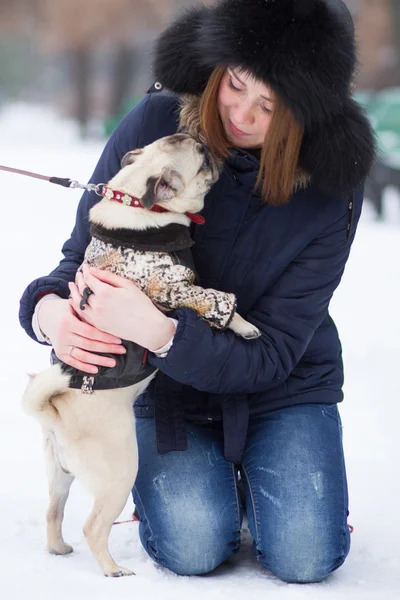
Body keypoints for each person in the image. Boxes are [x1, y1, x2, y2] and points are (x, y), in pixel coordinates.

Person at [19, 0, 375, 584]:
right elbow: (78, 257)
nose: (240, 112)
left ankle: (274, 477)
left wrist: (158, 330)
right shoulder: (155, 123)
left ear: (304, 114)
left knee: (307, 557)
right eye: (236, 84)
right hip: (171, 389)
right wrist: (49, 311)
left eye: (270, 105)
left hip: (281, 381)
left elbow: (278, 347)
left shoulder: (330, 189)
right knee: (191, 547)